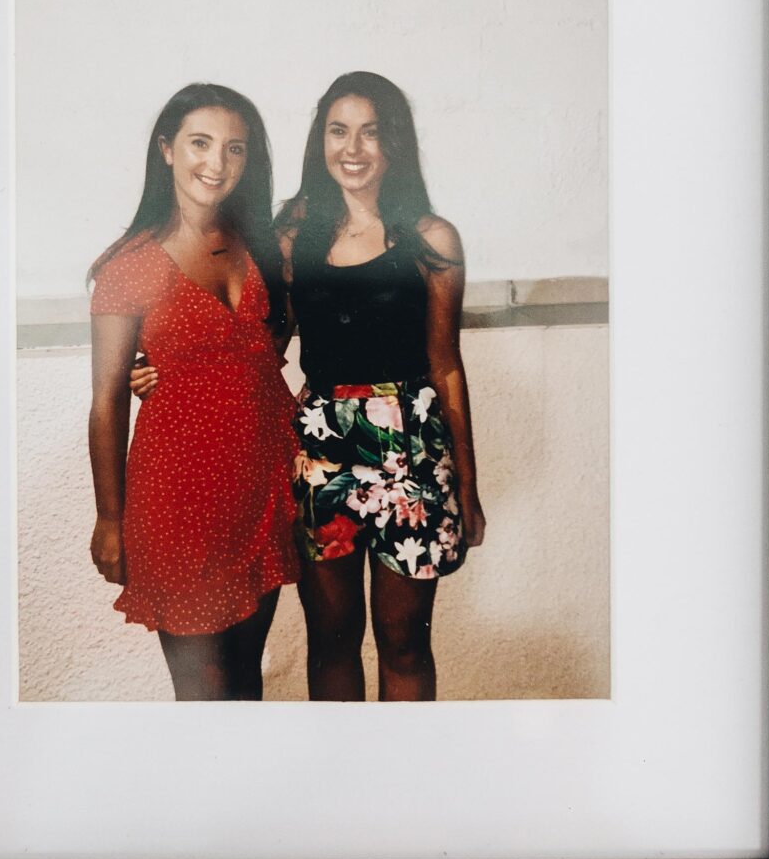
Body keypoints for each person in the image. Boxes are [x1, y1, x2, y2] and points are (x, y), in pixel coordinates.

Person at [87, 83, 299, 701]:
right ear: (166, 151)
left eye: (235, 148)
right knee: (203, 688)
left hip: (260, 488)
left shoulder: (262, 243)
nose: (217, 163)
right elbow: (105, 402)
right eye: (200, 144)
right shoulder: (127, 264)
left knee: (245, 681)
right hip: (178, 500)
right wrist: (108, 519)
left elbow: (267, 346)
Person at [279, 72, 483, 701]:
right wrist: (162, 369)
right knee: (331, 640)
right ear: (321, 142)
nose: (354, 148)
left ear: (394, 143)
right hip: (322, 452)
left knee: (402, 640)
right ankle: (341, 785)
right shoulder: (292, 235)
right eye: (339, 131)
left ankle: (408, 780)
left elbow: (446, 365)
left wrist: (468, 488)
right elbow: (259, 344)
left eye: (371, 131)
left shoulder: (431, 239)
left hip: (414, 454)